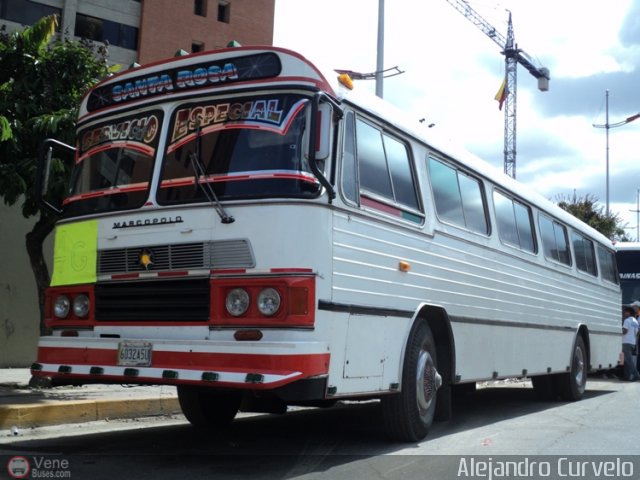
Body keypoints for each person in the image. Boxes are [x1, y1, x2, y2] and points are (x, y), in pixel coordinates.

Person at [622, 306, 640, 381]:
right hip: (632, 342)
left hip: (626, 342)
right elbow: (637, 333)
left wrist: (618, 331)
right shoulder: (635, 321)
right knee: (626, 360)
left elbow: (625, 331)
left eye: (625, 312)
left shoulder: (627, 320)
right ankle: (626, 377)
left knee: (629, 360)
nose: (624, 313)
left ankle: (636, 375)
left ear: (629, 312)